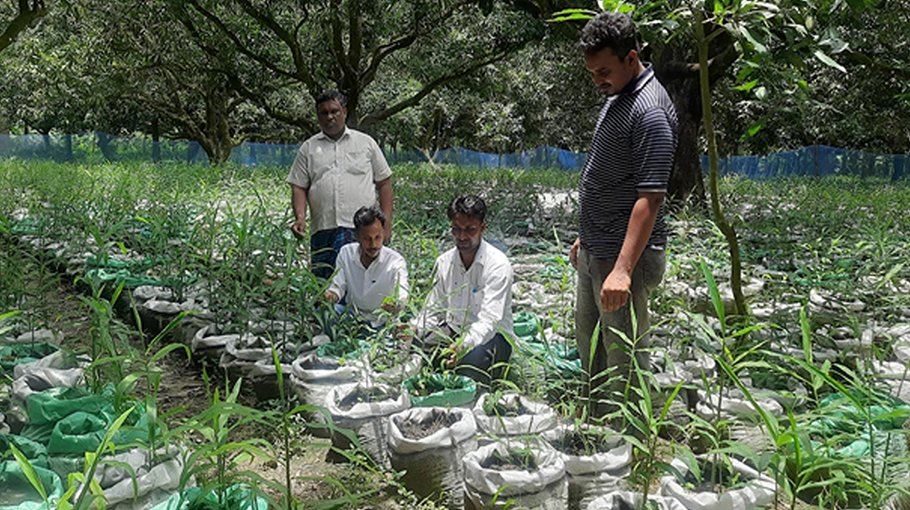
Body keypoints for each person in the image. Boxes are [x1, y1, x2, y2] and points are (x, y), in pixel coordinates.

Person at [570, 12, 678, 420]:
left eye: (603, 71)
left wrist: (622, 270)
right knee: (590, 343)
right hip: (597, 248)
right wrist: (585, 235)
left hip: (622, 257)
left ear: (631, 58)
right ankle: (596, 427)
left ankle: (631, 442)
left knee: (625, 356)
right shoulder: (619, 96)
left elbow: (650, 198)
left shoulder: (649, 111)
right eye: (591, 73)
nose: (597, 81)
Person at [287, 90, 394, 279]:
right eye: (324, 113)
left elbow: (384, 183)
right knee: (323, 282)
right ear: (318, 116)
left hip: (360, 229)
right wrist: (300, 218)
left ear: (344, 112)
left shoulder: (366, 143)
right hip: (323, 229)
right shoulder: (309, 148)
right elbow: (299, 187)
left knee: (360, 281)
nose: (330, 117)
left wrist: (386, 224)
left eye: (334, 111)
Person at [415, 195, 514, 387]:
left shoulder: (498, 266)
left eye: (470, 230)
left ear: (482, 228)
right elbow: (433, 308)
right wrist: (415, 328)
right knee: (416, 346)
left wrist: (464, 345)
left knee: (470, 366)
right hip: (453, 330)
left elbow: (489, 321)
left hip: (491, 338)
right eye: (456, 229)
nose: (462, 237)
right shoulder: (444, 263)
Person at [325, 205, 409, 328]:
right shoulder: (346, 253)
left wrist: (398, 304)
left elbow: (403, 292)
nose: (373, 244)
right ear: (357, 236)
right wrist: (331, 296)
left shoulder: (395, 261)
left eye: (378, 237)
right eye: (367, 239)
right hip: (352, 316)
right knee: (327, 313)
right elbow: (338, 286)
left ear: (384, 233)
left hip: (381, 321)